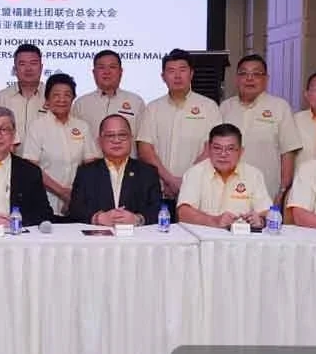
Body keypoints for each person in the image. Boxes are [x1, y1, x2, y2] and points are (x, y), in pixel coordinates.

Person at [137, 49, 221, 210]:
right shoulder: (153, 108)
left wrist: (185, 181)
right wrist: (170, 180)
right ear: (163, 77)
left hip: (197, 191)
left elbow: (211, 148)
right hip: (160, 191)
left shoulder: (209, 107)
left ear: (191, 74)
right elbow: (145, 149)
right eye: (171, 71)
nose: (177, 76)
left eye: (182, 70)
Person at [219, 54, 302, 203]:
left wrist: (282, 192)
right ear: (237, 79)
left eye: (256, 74)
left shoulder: (280, 107)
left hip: (267, 194)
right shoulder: (225, 107)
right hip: (226, 193)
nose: (249, 78)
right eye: (244, 73)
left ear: (266, 79)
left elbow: (288, 152)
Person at [21, 73, 100, 217]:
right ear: (47, 99)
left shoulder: (82, 127)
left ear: (73, 98)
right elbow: (31, 168)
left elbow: (91, 165)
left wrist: (75, 196)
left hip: (78, 202)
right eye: (56, 95)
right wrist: (63, 193)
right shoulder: (37, 127)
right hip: (44, 201)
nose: (62, 99)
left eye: (67, 95)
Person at [69, 114, 161, 226]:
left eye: (122, 135)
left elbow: (158, 208)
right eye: (110, 135)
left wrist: (137, 219)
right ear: (100, 141)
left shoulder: (148, 172)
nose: (116, 140)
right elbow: (75, 209)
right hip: (98, 239)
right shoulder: (86, 172)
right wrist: (98, 218)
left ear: (131, 139)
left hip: (136, 238)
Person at [176, 124, 271, 229]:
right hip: (204, 239)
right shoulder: (194, 173)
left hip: (243, 240)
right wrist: (214, 221)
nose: (223, 154)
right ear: (208, 149)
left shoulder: (254, 175)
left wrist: (261, 220)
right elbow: (183, 213)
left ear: (241, 151)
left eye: (230, 149)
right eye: (217, 148)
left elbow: (268, 212)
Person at [71, 50, 145, 147]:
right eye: (101, 67)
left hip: (128, 161)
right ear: (94, 72)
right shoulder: (81, 104)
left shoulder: (136, 102)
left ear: (121, 72)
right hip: (92, 161)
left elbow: (142, 141)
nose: (107, 72)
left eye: (112, 67)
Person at [0, 43, 46, 143]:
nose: (28, 68)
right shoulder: (0, 98)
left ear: (41, 67)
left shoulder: (53, 98)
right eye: (22, 64)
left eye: (33, 63)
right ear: (14, 69)